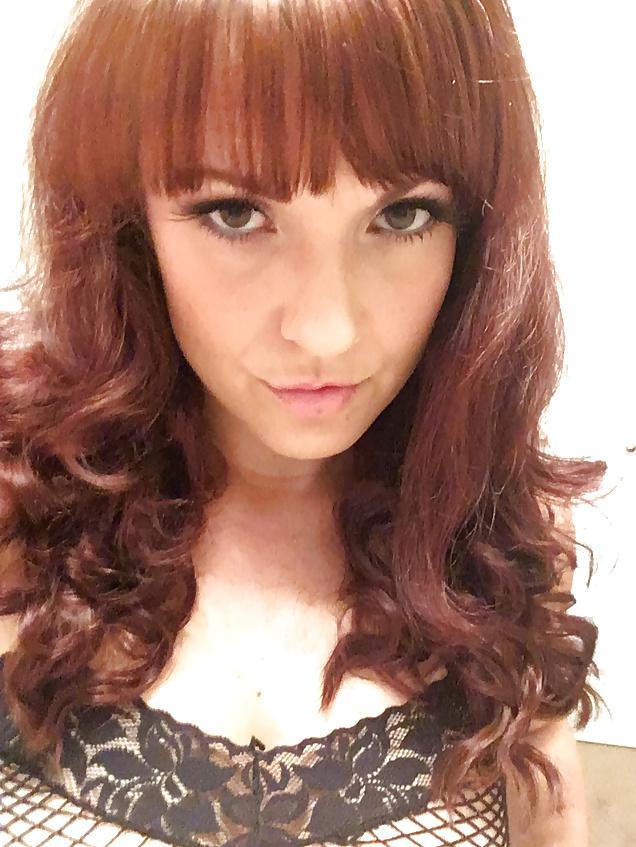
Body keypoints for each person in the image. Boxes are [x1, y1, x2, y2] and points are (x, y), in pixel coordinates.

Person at [0, 0, 607, 844]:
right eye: (235, 212)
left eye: (401, 215)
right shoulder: (19, 516)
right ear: (124, 218)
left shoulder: (502, 538)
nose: (327, 330)